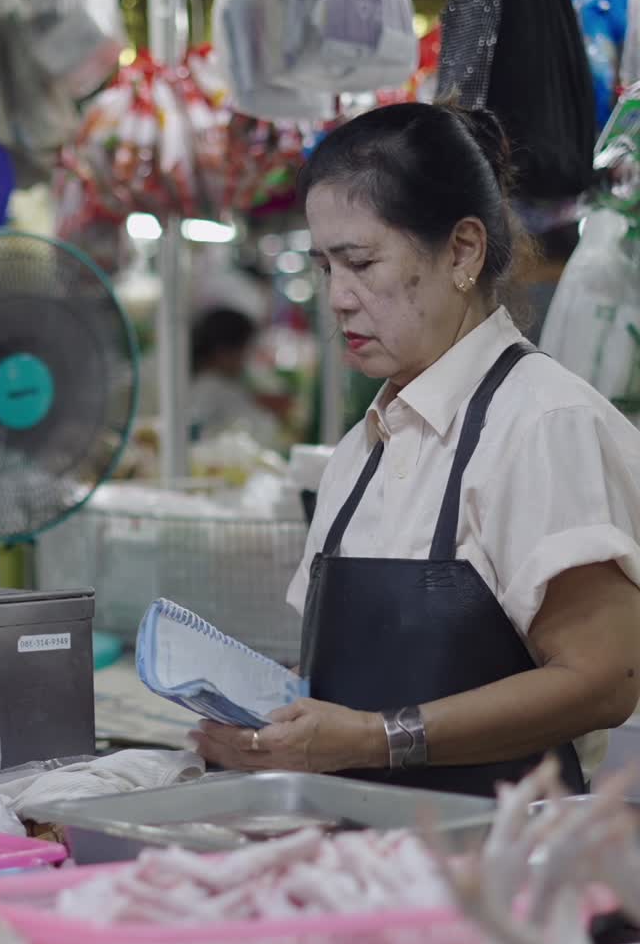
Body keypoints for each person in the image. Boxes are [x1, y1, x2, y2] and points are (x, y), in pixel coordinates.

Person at [192, 103, 640, 797]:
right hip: (362, 866)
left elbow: (606, 678)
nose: (338, 298)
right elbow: (347, 681)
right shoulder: (358, 451)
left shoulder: (542, 425)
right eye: (324, 267)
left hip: (502, 872)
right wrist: (264, 730)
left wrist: (377, 740)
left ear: (462, 251)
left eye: (362, 262)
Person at [188, 306, 283, 449]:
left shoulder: (222, 384)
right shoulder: (211, 388)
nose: (246, 359)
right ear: (223, 352)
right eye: (245, 349)